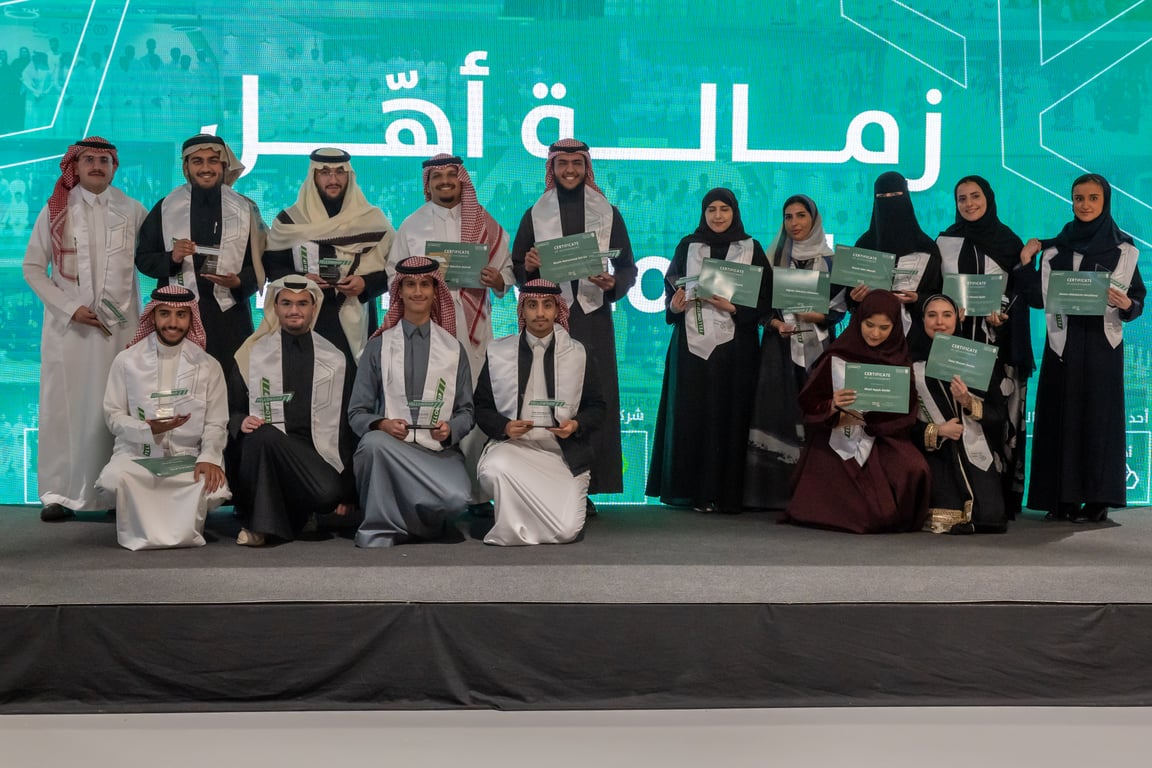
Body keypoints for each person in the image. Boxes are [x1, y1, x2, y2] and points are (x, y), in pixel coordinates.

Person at [22, 136, 146, 522]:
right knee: (64, 411)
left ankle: (114, 493)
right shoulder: (55, 212)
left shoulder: (133, 210)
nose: (96, 166)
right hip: (69, 334)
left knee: (117, 408)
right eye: (88, 159)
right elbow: (32, 268)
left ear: (114, 168)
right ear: (74, 167)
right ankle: (58, 493)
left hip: (119, 333)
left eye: (104, 160)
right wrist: (70, 309)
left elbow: (153, 260)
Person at [511, 138, 637, 500]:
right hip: (548, 322)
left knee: (594, 397)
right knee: (550, 396)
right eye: (562, 164)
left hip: (593, 319)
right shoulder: (535, 214)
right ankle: (549, 485)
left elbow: (627, 267)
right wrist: (528, 267)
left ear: (586, 167)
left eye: (576, 163)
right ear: (552, 168)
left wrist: (614, 283)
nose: (570, 170)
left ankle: (591, 487)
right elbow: (518, 264)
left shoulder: (608, 212)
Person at [388, 153, 513, 513]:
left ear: (461, 180)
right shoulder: (412, 225)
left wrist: (497, 279)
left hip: (474, 331)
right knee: (431, 400)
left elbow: (506, 271)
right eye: (437, 176)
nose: (444, 181)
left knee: (472, 403)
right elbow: (392, 272)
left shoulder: (485, 224)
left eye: (450, 175)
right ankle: (429, 491)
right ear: (427, 184)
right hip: (426, 328)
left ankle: (477, 494)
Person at [1019, 173, 1144, 523]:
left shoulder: (1124, 250)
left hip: (1102, 348)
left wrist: (1127, 304)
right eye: (1078, 198)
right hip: (1063, 346)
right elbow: (1035, 297)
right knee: (1060, 419)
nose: (1085, 205)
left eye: (1092, 198)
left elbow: (1136, 299)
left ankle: (1098, 498)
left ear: (1105, 202)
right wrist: (1027, 260)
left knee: (1098, 420)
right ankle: (1062, 499)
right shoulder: (1055, 250)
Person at [646, 188, 769, 514]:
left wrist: (734, 307)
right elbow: (671, 294)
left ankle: (727, 494)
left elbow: (765, 301)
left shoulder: (752, 248)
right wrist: (674, 306)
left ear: (734, 212)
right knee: (692, 415)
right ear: (703, 213)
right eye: (711, 209)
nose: (717, 215)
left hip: (736, 350)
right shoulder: (688, 246)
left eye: (724, 209)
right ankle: (692, 492)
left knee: (731, 417)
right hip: (691, 349)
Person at [349, 256, 474, 547]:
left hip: (437, 453)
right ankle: (383, 527)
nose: (418, 292)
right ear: (400, 292)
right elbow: (356, 413)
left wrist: (450, 429)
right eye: (410, 285)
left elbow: (466, 411)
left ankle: (410, 526)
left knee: (458, 498)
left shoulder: (453, 349)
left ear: (435, 291)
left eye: (425, 284)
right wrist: (382, 424)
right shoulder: (378, 347)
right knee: (372, 445)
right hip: (392, 448)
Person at [786, 290, 930, 533]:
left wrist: (877, 423)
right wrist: (832, 405)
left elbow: (908, 413)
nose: (875, 333)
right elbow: (808, 404)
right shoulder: (837, 355)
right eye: (869, 325)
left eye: (884, 328)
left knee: (915, 469)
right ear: (858, 320)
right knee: (871, 513)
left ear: (895, 327)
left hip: (883, 437)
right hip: (838, 434)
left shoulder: (899, 359)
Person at [226, 277, 356, 546]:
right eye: (286, 303)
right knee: (262, 435)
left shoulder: (335, 358)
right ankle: (259, 527)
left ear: (314, 307)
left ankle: (290, 517)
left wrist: (348, 488)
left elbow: (346, 425)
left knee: (328, 493)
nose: (294, 310)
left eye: (302, 304)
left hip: (316, 456)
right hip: (265, 454)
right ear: (275, 307)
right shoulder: (251, 354)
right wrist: (240, 421)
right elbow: (231, 409)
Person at [474, 279, 606, 544]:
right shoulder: (499, 352)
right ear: (522, 310)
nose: (540, 313)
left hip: (562, 455)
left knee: (566, 531)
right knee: (494, 469)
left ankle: (532, 516)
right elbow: (482, 407)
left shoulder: (578, 353)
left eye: (547, 305)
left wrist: (575, 425)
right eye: (532, 305)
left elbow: (597, 407)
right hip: (513, 449)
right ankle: (512, 527)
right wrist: (505, 427)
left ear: (558, 310)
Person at [97, 286, 229, 550]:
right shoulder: (126, 361)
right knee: (113, 481)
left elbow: (216, 423)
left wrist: (209, 457)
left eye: (181, 315)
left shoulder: (208, 365)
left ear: (191, 319)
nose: (173, 323)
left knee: (215, 488)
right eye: (165, 314)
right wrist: (146, 429)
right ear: (153, 316)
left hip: (188, 456)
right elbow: (113, 416)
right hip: (138, 454)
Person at [936, 175, 1035, 517]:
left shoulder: (1009, 241)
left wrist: (1003, 313)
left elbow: (1021, 294)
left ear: (989, 199)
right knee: (958, 414)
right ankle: (959, 494)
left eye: (975, 196)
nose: (969, 204)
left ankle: (998, 500)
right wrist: (948, 309)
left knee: (997, 419)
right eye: (962, 198)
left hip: (997, 348)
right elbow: (936, 288)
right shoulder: (945, 241)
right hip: (956, 345)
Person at [136, 134, 265, 377]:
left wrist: (239, 282)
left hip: (229, 318)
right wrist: (172, 258)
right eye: (197, 161)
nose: (206, 168)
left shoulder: (245, 209)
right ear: (186, 168)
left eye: (213, 161)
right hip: (178, 318)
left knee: (231, 386)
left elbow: (261, 262)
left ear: (224, 165)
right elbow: (143, 259)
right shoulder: (166, 207)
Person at [746, 194, 844, 510]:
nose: (794, 223)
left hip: (819, 348)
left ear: (814, 219)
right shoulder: (771, 259)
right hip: (778, 349)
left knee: (817, 412)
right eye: (788, 217)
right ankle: (772, 494)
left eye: (801, 215)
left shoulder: (832, 261)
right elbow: (759, 306)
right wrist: (776, 324)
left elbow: (839, 309)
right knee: (778, 413)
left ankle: (816, 494)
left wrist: (819, 316)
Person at [263, 148, 394, 367]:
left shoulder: (372, 220)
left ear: (349, 176)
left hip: (355, 315)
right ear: (313, 176)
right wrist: (301, 280)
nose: (333, 180)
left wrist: (366, 283)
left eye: (340, 172)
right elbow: (273, 267)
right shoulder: (290, 221)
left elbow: (395, 270)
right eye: (324, 172)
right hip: (303, 318)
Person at [911, 295, 1008, 534]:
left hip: (972, 445)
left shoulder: (976, 360)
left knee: (989, 514)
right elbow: (902, 422)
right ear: (922, 320)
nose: (939, 322)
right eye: (932, 315)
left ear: (957, 319)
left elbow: (998, 414)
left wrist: (968, 403)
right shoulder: (910, 362)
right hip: (931, 450)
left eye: (947, 315)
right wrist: (936, 431)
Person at [851, 171, 942, 339]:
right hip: (870, 336)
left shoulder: (926, 248)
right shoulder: (864, 245)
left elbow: (937, 294)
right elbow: (849, 297)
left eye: (895, 195)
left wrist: (918, 298)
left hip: (915, 337)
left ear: (905, 198)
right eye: (882, 196)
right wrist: (855, 298)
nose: (889, 201)